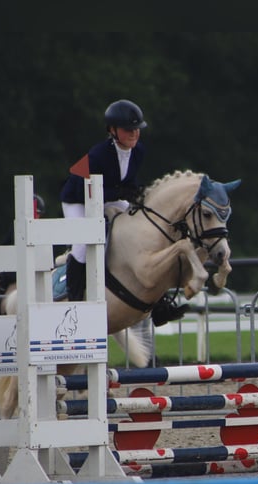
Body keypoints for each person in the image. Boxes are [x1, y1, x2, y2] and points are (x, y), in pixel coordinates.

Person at [59, 99, 187, 326]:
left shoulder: (138, 152)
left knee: (144, 224)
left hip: (107, 199)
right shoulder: (98, 154)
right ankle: (75, 298)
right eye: (129, 130)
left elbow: (126, 183)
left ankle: (161, 303)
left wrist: (134, 192)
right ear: (113, 130)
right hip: (78, 201)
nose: (134, 134)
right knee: (82, 245)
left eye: (137, 129)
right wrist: (121, 190)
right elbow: (83, 190)